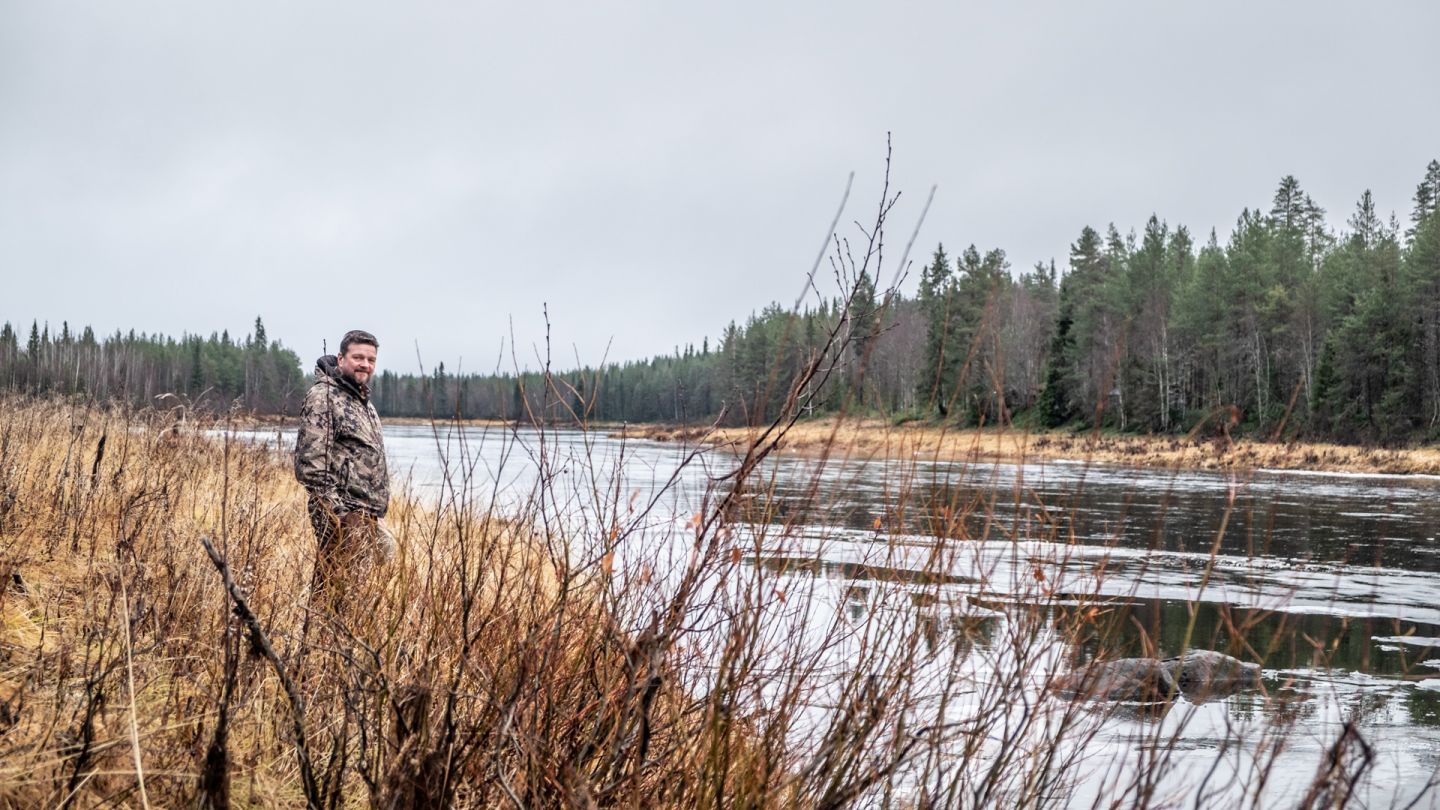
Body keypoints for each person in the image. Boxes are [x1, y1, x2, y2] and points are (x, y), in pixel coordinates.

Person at [294, 329, 395, 600]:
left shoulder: (362, 402)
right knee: (334, 596)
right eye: (358, 357)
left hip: (366, 517)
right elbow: (311, 466)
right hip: (343, 517)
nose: (365, 364)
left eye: (371, 359)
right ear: (341, 359)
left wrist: (375, 516)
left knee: (353, 598)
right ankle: (319, 641)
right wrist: (341, 517)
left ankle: (335, 641)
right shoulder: (324, 398)